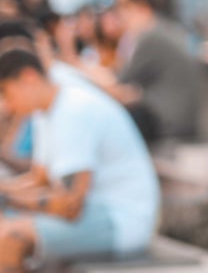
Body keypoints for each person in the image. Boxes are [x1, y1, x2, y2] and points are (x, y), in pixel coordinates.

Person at [0, 45, 160, 268]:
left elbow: (70, 206)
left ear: (29, 77)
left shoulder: (73, 110)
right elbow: (39, 179)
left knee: (9, 238)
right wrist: (5, 192)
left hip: (122, 220)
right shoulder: (45, 111)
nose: (6, 105)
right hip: (95, 213)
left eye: (6, 93)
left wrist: (8, 199)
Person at [87, 0, 200, 144]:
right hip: (180, 116)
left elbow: (118, 81)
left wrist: (85, 69)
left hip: (167, 121)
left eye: (126, 9)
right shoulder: (166, 30)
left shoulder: (150, 36)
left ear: (142, 8)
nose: (123, 18)